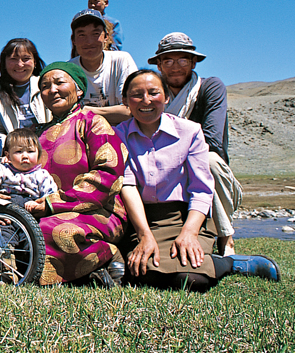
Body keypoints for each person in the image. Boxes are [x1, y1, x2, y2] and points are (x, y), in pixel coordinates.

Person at [115, 70, 279, 290]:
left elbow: (201, 189)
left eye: (153, 93)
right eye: (137, 94)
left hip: (183, 216)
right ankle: (214, 261)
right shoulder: (117, 135)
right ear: (125, 101)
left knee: (193, 279)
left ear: (166, 97)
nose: (146, 100)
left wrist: (189, 233)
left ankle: (230, 263)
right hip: (141, 219)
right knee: (141, 273)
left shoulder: (190, 131)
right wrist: (144, 235)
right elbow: (128, 184)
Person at [33, 62, 128, 287]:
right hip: (41, 208)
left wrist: (54, 204)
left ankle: (106, 256)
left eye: (59, 83)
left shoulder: (93, 122)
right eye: (45, 86)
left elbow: (108, 172)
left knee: (52, 231)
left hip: (98, 210)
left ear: (79, 91)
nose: (52, 90)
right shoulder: (36, 133)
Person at [148, 32, 243, 256]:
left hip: (197, 163)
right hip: (158, 165)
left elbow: (212, 140)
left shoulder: (209, 88)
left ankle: (225, 238)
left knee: (209, 162)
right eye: (168, 61)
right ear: (159, 65)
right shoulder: (153, 94)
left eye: (182, 60)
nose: (175, 67)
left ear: (193, 62)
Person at [68, 9, 137, 125]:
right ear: (74, 40)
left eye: (95, 34)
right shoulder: (68, 70)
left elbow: (130, 111)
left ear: (106, 37)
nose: (89, 41)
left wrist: (86, 111)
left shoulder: (122, 60)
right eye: (82, 35)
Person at [0, 38, 51, 151]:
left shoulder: (47, 85)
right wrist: (10, 148)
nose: (20, 65)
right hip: (15, 153)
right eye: (13, 59)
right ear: (4, 63)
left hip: (47, 146)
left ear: (35, 62)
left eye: (26, 59)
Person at [0, 128, 57, 214]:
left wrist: (38, 203)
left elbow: (50, 194)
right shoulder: (4, 169)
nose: (25, 156)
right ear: (8, 156)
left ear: (39, 155)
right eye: (18, 151)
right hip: (6, 205)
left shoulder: (42, 175)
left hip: (30, 208)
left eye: (30, 151)